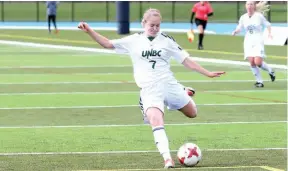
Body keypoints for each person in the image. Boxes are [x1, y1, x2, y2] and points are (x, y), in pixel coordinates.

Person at [78, 8, 225, 169]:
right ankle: (167, 158)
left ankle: (183, 92)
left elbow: (186, 61)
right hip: (149, 89)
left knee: (192, 113)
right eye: (152, 25)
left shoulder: (167, 40)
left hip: (168, 84)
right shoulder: (134, 40)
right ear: (144, 23)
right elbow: (108, 44)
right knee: (156, 121)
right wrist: (90, 31)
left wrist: (207, 73)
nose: (155, 28)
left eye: (158, 25)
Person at [232, 1, 275, 88]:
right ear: (245, 6)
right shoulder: (243, 17)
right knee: (252, 62)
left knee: (258, 62)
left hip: (258, 40)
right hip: (248, 41)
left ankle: (270, 70)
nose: (249, 6)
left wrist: (270, 33)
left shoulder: (258, 16)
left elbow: (267, 24)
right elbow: (239, 27)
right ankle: (259, 82)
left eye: (251, 4)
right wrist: (236, 31)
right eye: (248, 4)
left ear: (254, 6)